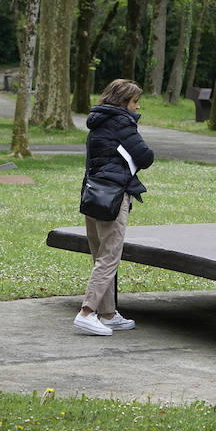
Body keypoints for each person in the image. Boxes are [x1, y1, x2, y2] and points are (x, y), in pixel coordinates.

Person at [74, 79, 154, 335]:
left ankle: (108, 314)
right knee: (109, 257)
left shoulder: (97, 122)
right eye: (135, 101)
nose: (137, 106)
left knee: (100, 256)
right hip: (113, 196)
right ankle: (87, 312)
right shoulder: (122, 122)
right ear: (123, 102)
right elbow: (145, 157)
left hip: (92, 195)